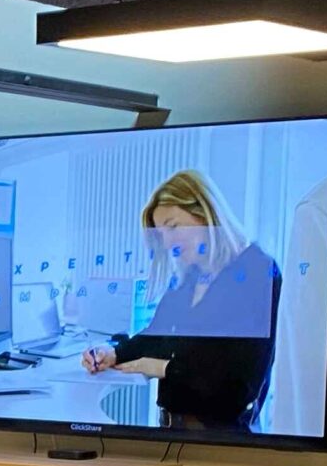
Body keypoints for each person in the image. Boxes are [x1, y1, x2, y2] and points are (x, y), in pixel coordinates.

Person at [80, 170, 282, 434]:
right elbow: (156, 337)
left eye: (173, 227)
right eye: (161, 234)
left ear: (205, 214)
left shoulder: (257, 270)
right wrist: (113, 352)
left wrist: (161, 367)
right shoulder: (188, 279)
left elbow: (238, 385)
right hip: (173, 430)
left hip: (222, 440)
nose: (167, 242)